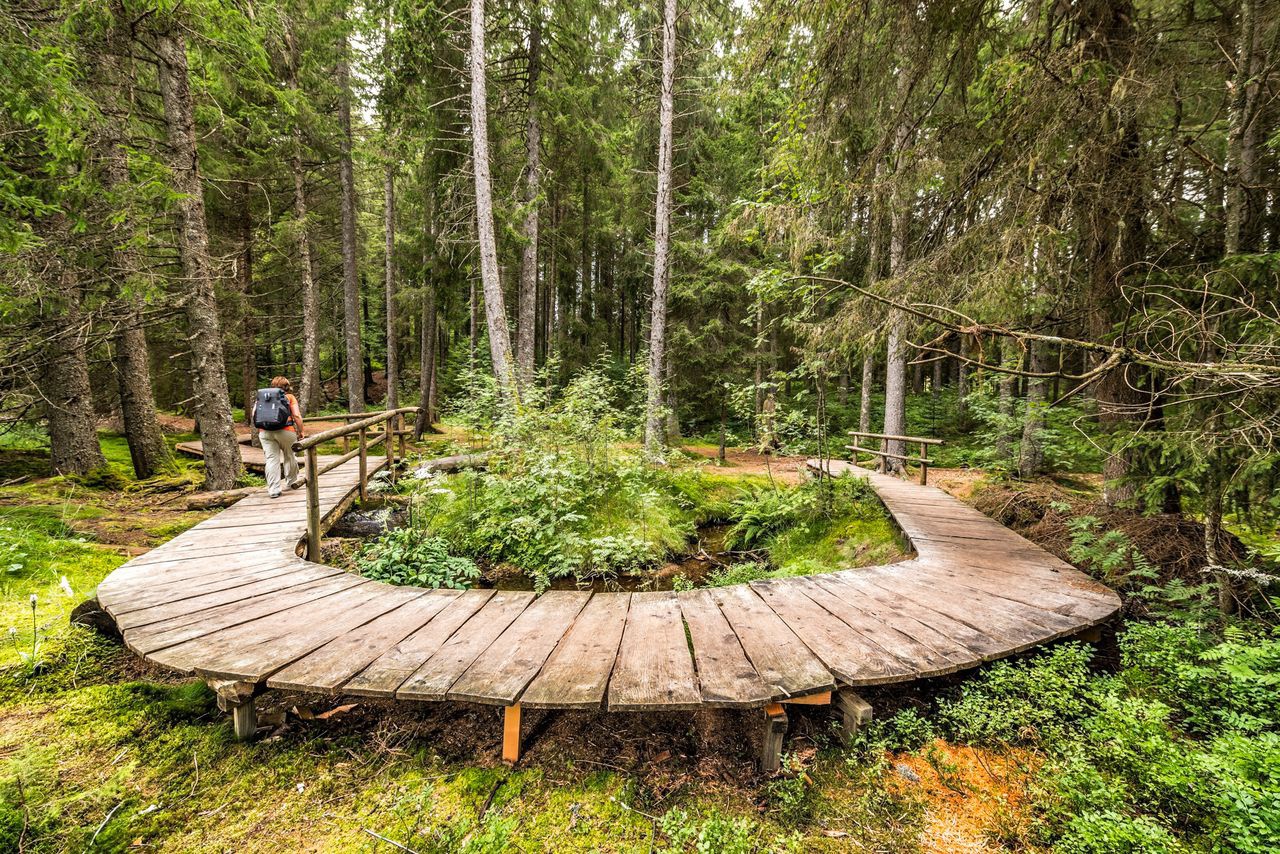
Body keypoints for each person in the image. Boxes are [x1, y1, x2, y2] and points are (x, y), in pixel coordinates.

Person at [251, 376, 305, 498]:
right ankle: (291, 482)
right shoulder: (289, 397)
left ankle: (274, 489)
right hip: (286, 430)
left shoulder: (262, 397)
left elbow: (254, 414)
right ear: (287, 386)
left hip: (265, 432)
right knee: (290, 455)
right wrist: (301, 431)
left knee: (271, 459)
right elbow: (296, 415)